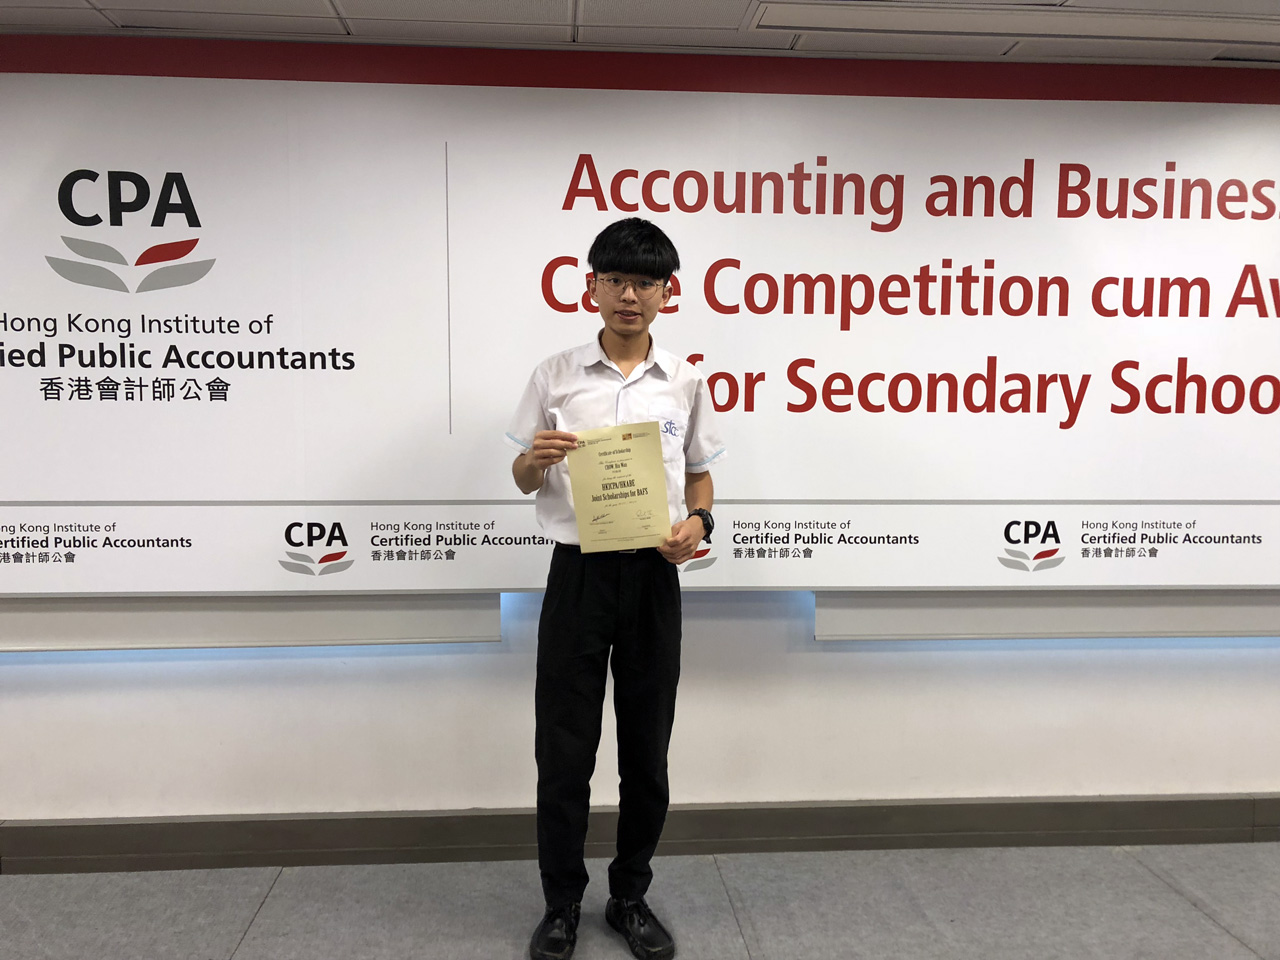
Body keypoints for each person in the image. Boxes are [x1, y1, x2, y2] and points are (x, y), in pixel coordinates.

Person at [505, 217, 725, 960]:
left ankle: (629, 896)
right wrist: (535, 460)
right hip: (579, 574)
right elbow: (522, 477)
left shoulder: (685, 380)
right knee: (564, 748)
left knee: (646, 748)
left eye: (645, 282)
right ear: (592, 286)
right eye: (617, 280)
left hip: (653, 576)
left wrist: (699, 521)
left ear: (667, 293)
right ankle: (562, 903)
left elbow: (700, 475)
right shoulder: (555, 376)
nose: (630, 295)